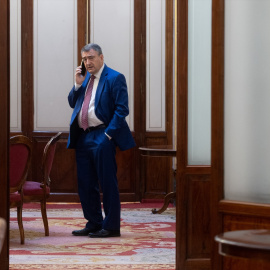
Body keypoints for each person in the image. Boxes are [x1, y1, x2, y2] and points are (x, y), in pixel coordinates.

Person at [67, 43, 135, 238]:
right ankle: (94, 223)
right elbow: (73, 102)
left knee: (107, 182)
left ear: (101, 57)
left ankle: (111, 226)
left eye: (91, 57)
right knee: (86, 183)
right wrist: (77, 84)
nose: (88, 62)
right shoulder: (84, 79)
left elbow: (122, 109)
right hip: (83, 136)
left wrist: (108, 136)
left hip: (103, 135)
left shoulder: (114, 78)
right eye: (85, 59)